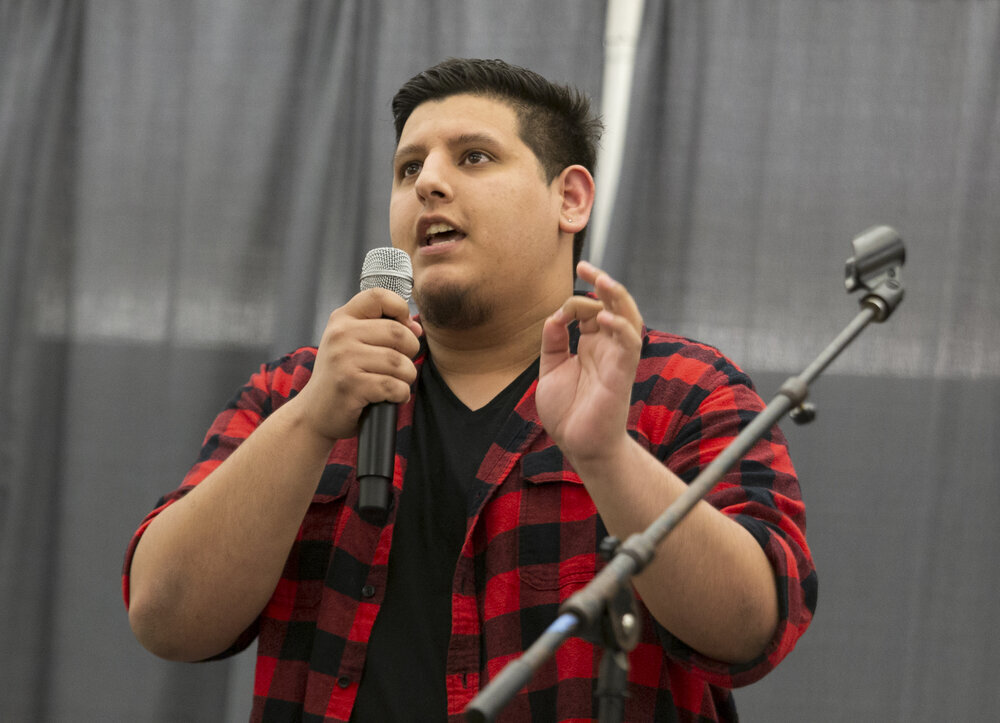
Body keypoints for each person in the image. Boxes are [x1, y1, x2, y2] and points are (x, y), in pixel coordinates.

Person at [123, 58, 816, 721]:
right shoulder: (297, 389)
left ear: (568, 198)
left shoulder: (680, 387)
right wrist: (309, 421)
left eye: (473, 157)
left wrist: (608, 454)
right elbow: (164, 618)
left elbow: (755, 625)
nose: (428, 183)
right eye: (408, 167)